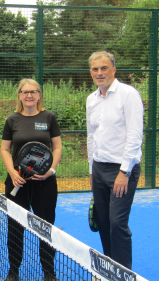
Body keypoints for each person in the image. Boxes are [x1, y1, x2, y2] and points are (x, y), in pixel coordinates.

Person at [0, 78, 62, 281]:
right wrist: (12, 173)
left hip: (45, 184)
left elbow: (57, 147)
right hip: (17, 182)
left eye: (33, 91)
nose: (29, 95)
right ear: (19, 95)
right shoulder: (12, 120)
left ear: (39, 95)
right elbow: (5, 149)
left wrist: (51, 170)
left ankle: (49, 272)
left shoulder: (49, 117)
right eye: (25, 92)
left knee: (46, 226)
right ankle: (13, 271)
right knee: (15, 226)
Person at [87, 51, 143, 270]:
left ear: (113, 70)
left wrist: (125, 172)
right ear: (90, 72)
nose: (99, 73)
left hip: (122, 170)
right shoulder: (91, 99)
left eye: (104, 68)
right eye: (95, 69)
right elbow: (92, 136)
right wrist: (92, 171)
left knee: (117, 223)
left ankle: (124, 272)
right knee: (103, 222)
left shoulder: (128, 94)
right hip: (99, 169)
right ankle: (109, 268)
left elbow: (135, 136)